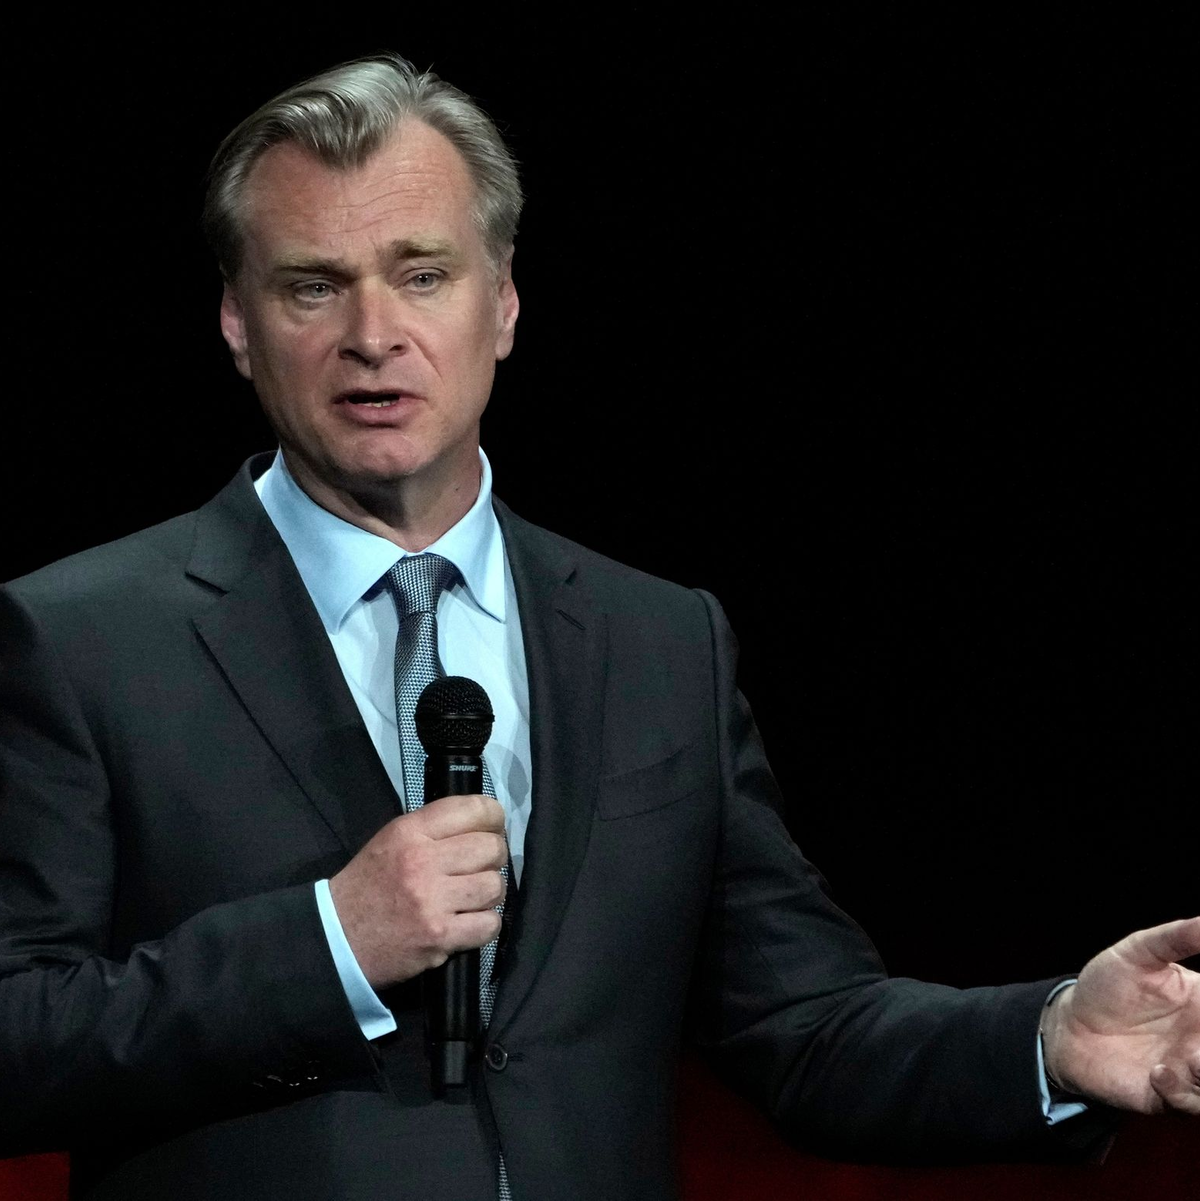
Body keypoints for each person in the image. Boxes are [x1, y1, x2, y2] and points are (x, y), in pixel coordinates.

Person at [0, 52, 1195, 1201]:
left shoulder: (659, 642)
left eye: (423, 274)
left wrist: (1051, 1039)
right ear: (237, 322)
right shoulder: (84, 641)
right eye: (314, 283)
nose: (375, 334)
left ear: (504, 301)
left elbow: (805, 1025)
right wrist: (325, 945)